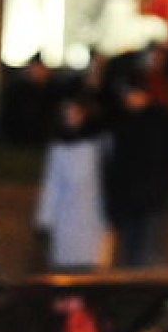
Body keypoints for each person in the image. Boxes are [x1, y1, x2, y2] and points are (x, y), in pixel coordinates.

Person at [104, 82, 168, 268]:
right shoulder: (123, 124)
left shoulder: (162, 124)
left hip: (153, 200)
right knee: (132, 256)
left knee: (146, 255)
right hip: (133, 201)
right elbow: (116, 167)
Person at [35, 97, 111, 271]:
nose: (70, 118)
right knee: (65, 270)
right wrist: (45, 219)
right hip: (65, 219)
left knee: (91, 270)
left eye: (75, 113)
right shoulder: (59, 148)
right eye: (66, 114)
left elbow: (107, 181)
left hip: (93, 217)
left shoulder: (98, 146)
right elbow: (52, 185)